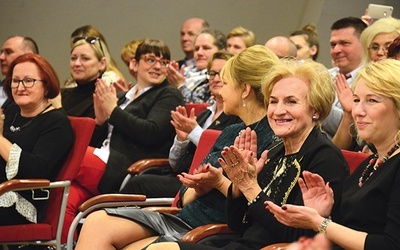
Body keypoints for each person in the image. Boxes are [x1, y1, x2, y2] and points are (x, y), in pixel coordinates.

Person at [73, 45, 279, 250]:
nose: (219, 90)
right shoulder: (231, 131)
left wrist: (218, 183)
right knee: (96, 221)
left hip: (212, 230)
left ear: (244, 90)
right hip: (183, 217)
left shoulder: (272, 139)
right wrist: (200, 188)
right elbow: (184, 195)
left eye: (225, 83)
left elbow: (251, 209)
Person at [147, 59, 348, 250]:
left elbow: (298, 237)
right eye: (273, 101)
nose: (278, 111)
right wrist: (238, 185)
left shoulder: (325, 158)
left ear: (316, 109)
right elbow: (238, 224)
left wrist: (251, 188)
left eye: (291, 102)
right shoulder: (275, 151)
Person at [265, 59, 400, 250]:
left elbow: (391, 245)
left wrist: (320, 223)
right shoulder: (371, 162)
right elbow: (352, 227)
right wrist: (324, 215)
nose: (358, 111)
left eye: (372, 100)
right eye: (356, 100)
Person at [62, 39, 184, 243]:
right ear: (134, 65)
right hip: (104, 157)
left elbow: (150, 132)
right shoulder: (121, 96)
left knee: (64, 154)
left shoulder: (168, 94)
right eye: (151, 59)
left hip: (126, 166)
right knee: (66, 198)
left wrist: (113, 111)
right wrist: (101, 120)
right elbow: (102, 138)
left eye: (163, 62)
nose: (157, 66)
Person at [119, 51, 241, 197]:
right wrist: (181, 140)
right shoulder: (203, 114)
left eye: (222, 74)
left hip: (204, 186)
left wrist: (194, 131)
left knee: (139, 183)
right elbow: (175, 165)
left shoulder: (236, 118)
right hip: (182, 176)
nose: (215, 79)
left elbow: (221, 153)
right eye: (212, 73)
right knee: (138, 179)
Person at [0, 53, 73, 226]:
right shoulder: (10, 112)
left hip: (21, 201)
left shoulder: (57, 122)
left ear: (46, 87)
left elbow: (37, 169)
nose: (20, 87)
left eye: (28, 81)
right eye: (15, 81)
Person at [322, 17, 367, 140]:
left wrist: (314, 104)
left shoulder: (370, 81)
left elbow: (358, 127)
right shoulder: (322, 76)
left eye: (344, 43)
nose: (336, 50)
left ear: (364, 44)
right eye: (333, 44)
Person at [168, 28, 226, 104]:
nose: (199, 53)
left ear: (221, 52)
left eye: (206, 48)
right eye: (196, 48)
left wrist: (181, 86)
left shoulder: (221, 77)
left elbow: (205, 110)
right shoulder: (183, 72)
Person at [60, 37, 107, 118]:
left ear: (102, 64)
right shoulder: (60, 95)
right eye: (73, 58)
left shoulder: (104, 100)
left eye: (85, 58)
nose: (77, 64)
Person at [0, 36, 39, 107]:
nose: (1, 57)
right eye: (1, 52)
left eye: (8, 52)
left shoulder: (42, 92)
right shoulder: (1, 87)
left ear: (28, 55)